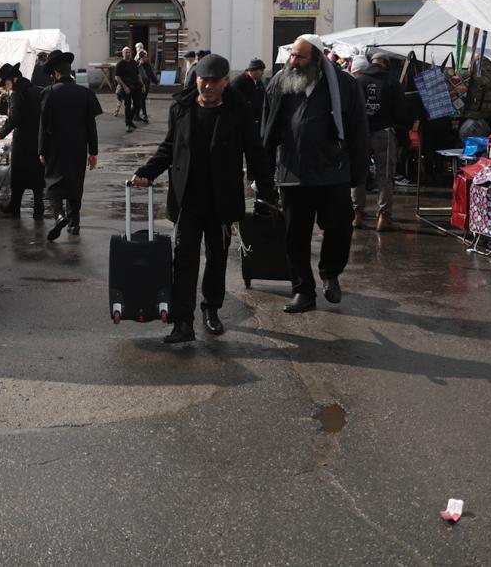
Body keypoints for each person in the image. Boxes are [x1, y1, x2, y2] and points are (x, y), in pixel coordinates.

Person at [130, 54, 276, 343]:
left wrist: (268, 193)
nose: (206, 86)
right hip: (188, 198)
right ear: (196, 79)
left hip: (222, 198)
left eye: (213, 81)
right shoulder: (182, 108)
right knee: (184, 259)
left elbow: (255, 153)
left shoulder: (239, 110)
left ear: (224, 82)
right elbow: (170, 146)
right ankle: (183, 321)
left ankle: (211, 308)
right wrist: (147, 171)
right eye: (202, 80)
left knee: (217, 257)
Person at [263, 34, 368, 314]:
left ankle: (330, 272)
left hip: (332, 173)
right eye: (292, 56)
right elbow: (268, 129)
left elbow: (358, 129)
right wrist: (263, 174)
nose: (293, 62)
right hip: (293, 174)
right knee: (294, 236)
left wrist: (358, 174)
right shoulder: (280, 83)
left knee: (339, 229)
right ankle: (303, 291)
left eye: (300, 57)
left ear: (318, 59)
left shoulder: (345, 85)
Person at [39, 50, 100, 241]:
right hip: (78, 146)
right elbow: (92, 125)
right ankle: (74, 223)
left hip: (55, 146)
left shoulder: (49, 93)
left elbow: (43, 125)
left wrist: (41, 150)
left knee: (52, 184)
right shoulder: (85, 93)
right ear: (70, 71)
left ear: (56, 74)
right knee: (75, 183)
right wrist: (93, 152)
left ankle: (59, 216)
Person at [351, 52, 403, 231]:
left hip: (361, 133)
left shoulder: (358, 81)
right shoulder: (392, 82)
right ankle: (384, 217)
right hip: (384, 133)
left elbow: (351, 109)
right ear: (386, 64)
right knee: (385, 176)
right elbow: (400, 111)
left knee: (358, 174)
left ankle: (357, 214)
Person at [0, 62, 45, 220]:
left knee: (18, 176)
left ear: (13, 79)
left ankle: (14, 205)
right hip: (37, 140)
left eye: (6, 83)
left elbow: (14, 119)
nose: (6, 87)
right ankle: (38, 208)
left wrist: (0, 134)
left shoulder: (17, 93)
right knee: (37, 176)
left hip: (23, 142)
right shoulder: (38, 91)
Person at [229, 58, 266, 138]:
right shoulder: (239, 82)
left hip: (257, 121)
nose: (263, 73)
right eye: (261, 70)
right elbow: (232, 99)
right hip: (243, 122)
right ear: (254, 70)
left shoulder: (259, 83)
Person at [114, 46, 144, 132]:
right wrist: (125, 87)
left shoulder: (134, 63)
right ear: (123, 53)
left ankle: (130, 120)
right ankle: (128, 124)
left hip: (135, 86)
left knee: (138, 104)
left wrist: (143, 85)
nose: (128, 54)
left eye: (129, 52)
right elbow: (117, 77)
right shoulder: (120, 64)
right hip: (126, 87)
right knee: (127, 106)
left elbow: (138, 75)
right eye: (126, 52)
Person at [135, 50, 157, 123]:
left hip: (146, 85)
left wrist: (156, 82)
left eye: (146, 57)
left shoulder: (148, 65)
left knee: (141, 101)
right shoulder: (137, 65)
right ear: (140, 58)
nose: (146, 58)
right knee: (141, 101)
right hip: (139, 86)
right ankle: (144, 115)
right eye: (144, 57)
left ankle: (136, 115)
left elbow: (151, 74)